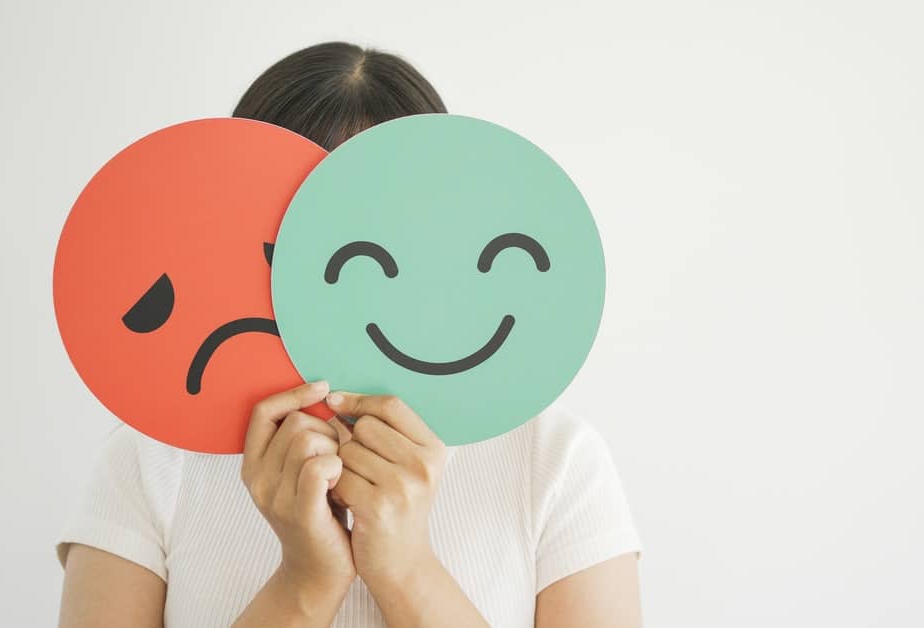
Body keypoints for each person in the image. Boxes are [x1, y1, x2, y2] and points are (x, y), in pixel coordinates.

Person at [56, 41, 642, 628]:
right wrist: (305, 580)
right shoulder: (150, 461)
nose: (335, 271)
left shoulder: (553, 459)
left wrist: (406, 568)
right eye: (292, 228)